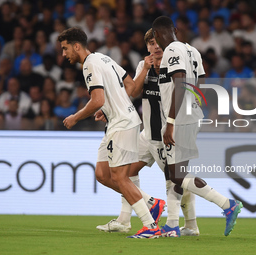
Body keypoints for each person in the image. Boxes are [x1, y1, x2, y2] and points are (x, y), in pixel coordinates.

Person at [58, 27, 161, 239]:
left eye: (65, 48)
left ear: (76, 46)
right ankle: (152, 202)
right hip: (118, 120)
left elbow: (97, 100)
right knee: (102, 174)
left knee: (120, 177)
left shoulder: (89, 65)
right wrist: (107, 110)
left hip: (122, 124)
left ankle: (151, 227)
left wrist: (75, 117)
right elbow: (131, 88)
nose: (63, 54)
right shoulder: (103, 58)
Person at [96, 28, 199, 236]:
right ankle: (124, 220)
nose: (155, 47)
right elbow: (132, 92)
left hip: (166, 135)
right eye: (151, 44)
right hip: (146, 134)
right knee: (126, 172)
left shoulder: (174, 65)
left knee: (176, 180)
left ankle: (189, 224)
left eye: (157, 42)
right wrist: (144, 69)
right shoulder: (144, 65)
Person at [152, 16, 242, 237]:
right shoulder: (192, 51)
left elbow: (180, 83)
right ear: (174, 29)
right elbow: (200, 82)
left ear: (156, 35)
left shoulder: (172, 50)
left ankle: (227, 204)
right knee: (179, 173)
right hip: (191, 115)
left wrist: (171, 122)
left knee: (176, 175)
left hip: (179, 118)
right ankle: (175, 224)